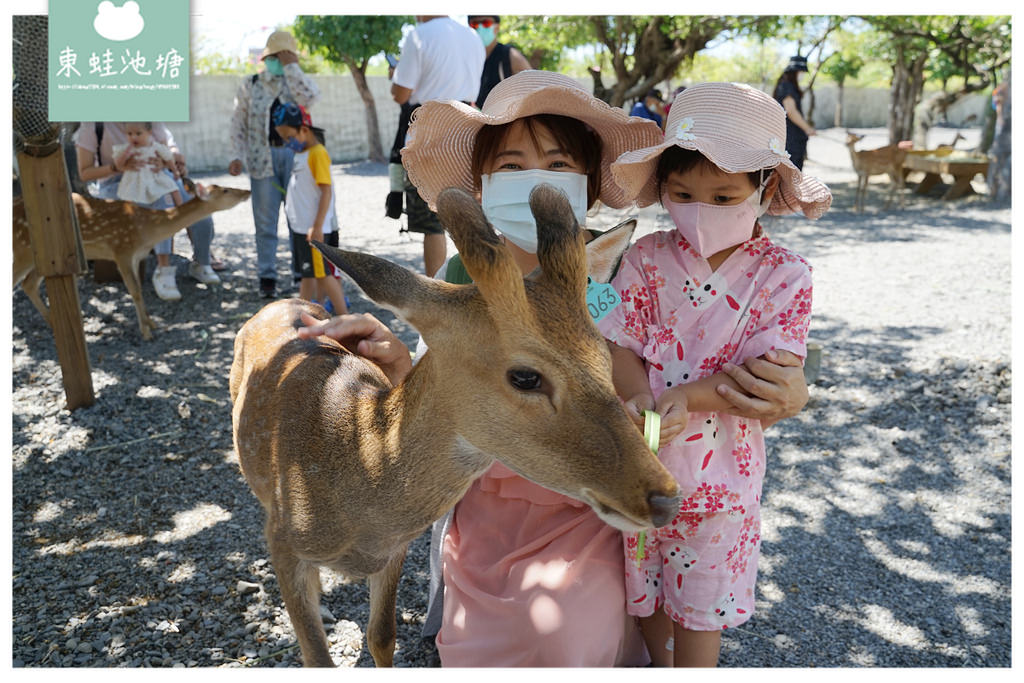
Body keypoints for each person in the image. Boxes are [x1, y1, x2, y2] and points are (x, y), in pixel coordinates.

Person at [298, 71, 811, 666]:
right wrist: (396, 364)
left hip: (590, 496)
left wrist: (792, 391)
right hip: (489, 503)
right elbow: (445, 395)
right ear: (483, 184)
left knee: (566, 640)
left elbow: (701, 349)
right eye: (511, 167)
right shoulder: (464, 280)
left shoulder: (620, 269)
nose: (532, 180)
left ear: (588, 183)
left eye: (558, 164)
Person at [599, 81, 832, 667]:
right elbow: (617, 339)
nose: (700, 210)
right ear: (663, 190)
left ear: (765, 186)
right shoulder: (645, 258)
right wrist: (634, 399)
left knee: (701, 610)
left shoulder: (787, 276)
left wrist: (682, 394)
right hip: (641, 467)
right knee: (645, 592)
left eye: (724, 196)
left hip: (724, 481)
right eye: (681, 193)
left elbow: (767, 373)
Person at [75, 121, 219, 301]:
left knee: (198, 209)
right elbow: (84, 173)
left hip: (158, 177)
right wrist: (116, 167)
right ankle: (163, 270)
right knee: (161, 211)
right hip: (116, 183)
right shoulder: (93, 125)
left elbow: (170, 148)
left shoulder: (149, 116)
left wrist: (172, 161)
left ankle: (202, 262)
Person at [390, 15, 485, 277]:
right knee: (470, 216)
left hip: (429, 133)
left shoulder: (418, 35)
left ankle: (439, 292)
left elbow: (400, 94)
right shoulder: (472, 36)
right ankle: (477, 284)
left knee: (433, 224)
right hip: (469, 129)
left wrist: (396, 75)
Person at [229, 30, 321, 299]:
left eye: (284, 56)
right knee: (265, 220)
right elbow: (239, 121)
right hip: (262, 158)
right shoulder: (252, 84)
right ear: (267, 57)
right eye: (276, 56)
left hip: (296, 159)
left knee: (299, 217)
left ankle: (299, 272)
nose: (279, 61)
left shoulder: (297, 82)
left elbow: (311, 98)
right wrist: (236, 154)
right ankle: (267, 276)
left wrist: (292, 67)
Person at [272, 102, 348, 315]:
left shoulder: (317, 153)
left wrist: (317, 226)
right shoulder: (303, 153)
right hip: (302, 228)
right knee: (309, 273)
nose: (288, 143)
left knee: (323, 274)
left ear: (304, 130)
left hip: (313, 229)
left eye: (289, 137)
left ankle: (345, 319)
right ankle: (305, 316)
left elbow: (326, 191)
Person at [466, 15, 531, 107]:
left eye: (486, 23)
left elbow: (533, 93)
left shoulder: (510, 56)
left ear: (497, 27)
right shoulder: (464, 57)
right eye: (475, 24)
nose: (480, 28)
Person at [112, 122, 182, 206]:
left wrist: (175, 171)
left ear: (149, 132)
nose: (133, 137)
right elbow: (118, 165)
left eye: (138, 134)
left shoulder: (155, 146)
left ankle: (180, 207)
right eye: (129, 134)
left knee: (173, 188)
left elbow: (168, 157)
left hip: (154, 175)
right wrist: (124, 156)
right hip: (134, 178)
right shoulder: (126, 149)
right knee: (130, 196)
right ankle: (131, 213)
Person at [773, 55, 816, 170]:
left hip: (793, 139)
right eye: (801, 72)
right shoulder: (786, 86)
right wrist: (807, 128)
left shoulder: (786, 85)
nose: (802, 75)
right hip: (791, 141)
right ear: (794, 72)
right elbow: (791, 111)